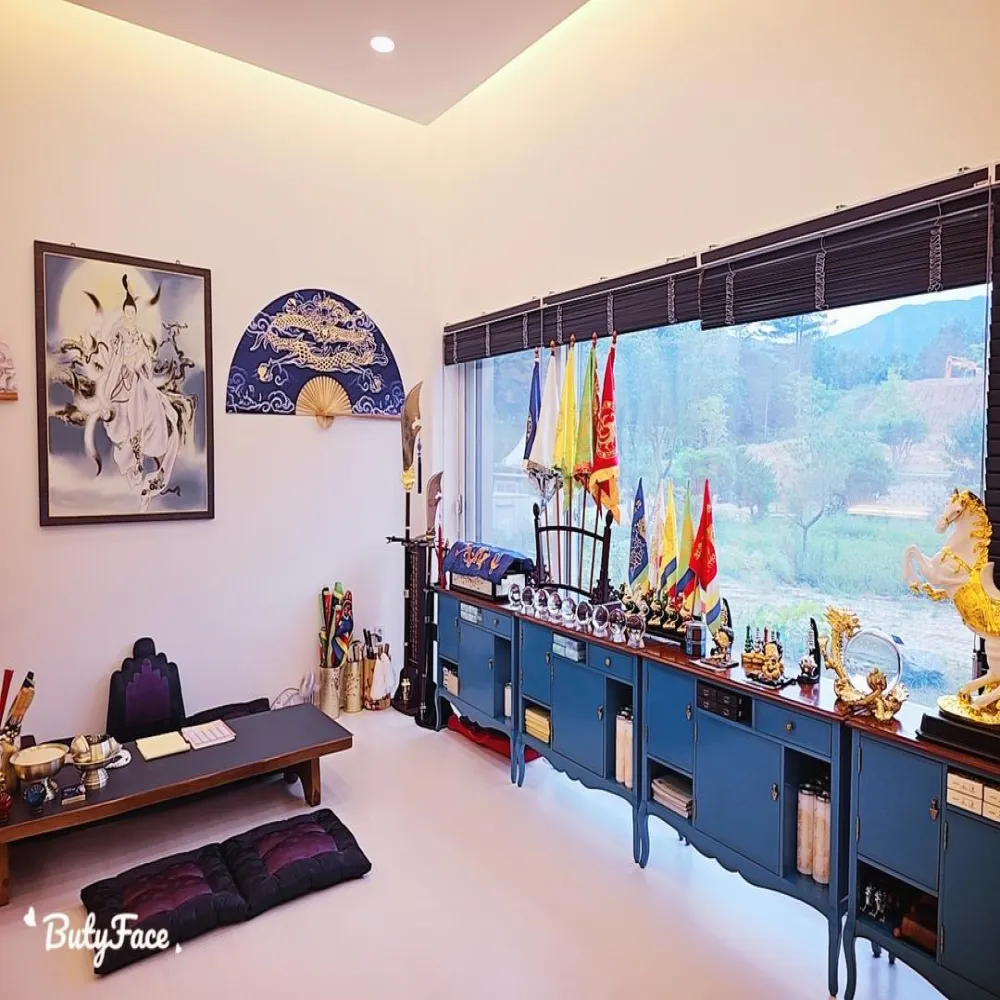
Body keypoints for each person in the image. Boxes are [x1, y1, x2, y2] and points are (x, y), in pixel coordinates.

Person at [101, 275, 180, 508]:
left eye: (132, 312)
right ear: (123, 312)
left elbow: (145, 354)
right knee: (133, 395)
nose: (130, 315)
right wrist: (126, 362)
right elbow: (115, 356)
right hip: (123, 373)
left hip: (138, 373)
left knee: (152, 395)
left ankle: (149, 439)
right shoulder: (119, 333)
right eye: (127, 312)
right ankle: (133, 454)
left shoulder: (138, 333)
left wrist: (141, 360)